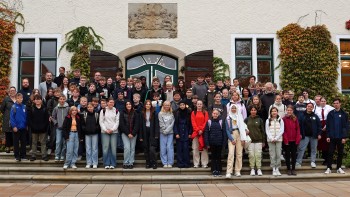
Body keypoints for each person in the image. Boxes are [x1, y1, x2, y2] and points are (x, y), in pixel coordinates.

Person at [325, 99, 349, 174]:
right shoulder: (330, 113)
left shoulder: (344, 114)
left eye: (337, 103)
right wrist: (328, 136)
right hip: (332, 137)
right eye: (334, 103)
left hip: (341, 137)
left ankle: (339, 168)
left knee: (340, 153)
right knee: (330, 152)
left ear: (340, 104)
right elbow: (328, 125)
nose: (335, 104)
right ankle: (329, 168)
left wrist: (344, 137)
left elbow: (346, 126)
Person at [296, 103, 322, 168]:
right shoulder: (302, 115)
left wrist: (319, 134)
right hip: (304, 136)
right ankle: (298, 162)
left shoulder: (315, 116)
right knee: (301, 149)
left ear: (312, 108)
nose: (309, 107)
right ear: (306, 107)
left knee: (314, 149)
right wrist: (300, 134)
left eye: (311, 106)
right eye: (308, 106)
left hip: (314, 136)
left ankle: (313, 162)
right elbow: (298, 125)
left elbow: (319, 126)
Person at [225, 104, 247, 178]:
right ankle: (229, 171)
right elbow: (227, 130)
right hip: (232, 134)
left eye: (235, 108)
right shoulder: (228, 118)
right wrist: (231, 139)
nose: (233, 109)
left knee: (239, 154)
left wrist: (243, 138)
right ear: (230, 109)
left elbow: (243, 128)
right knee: (231, 153)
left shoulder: (239, 117)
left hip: (239, 134)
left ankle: (237, 170)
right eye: (232, 108)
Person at [204, 109, 226, 177]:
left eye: (216, 114)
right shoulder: (209, 122)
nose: (215, 115)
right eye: (214, 113)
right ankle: (214, 170)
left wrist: (224, 143)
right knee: (213, 157)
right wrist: (207, 143)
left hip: (219, 143)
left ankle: (219, 170)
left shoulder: (221, 122)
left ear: (218, 114)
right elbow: (206, 133)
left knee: (218, 157)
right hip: (212, 142)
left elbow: (224, 133)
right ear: (212, 114)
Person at [28, 95, 50, 161]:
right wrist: (33, 126)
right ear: (34, 101)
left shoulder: (44, 109)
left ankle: (44, 155)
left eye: (39, 99)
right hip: (34, 129)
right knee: (34, 142)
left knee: (43, 142)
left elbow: (46, 120)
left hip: (43, 129)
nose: (37, 100)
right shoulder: (32, 109)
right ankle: (33, 155)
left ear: (41, 100)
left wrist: (44, 127)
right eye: (36, 99)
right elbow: (30, 119)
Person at [99, 98, 119, 169]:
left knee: (113, 148)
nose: (111, 104)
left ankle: (113, 163)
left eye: (113, 102)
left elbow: (117, 122)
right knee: (105, 148)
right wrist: (105, 129)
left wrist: (112, 129)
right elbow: (101, 122)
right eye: (110, 102)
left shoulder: (116, 111)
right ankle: (106, 163)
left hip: (114, 132)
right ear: (107, 103)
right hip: (104, 132)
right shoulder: (103, 110)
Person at [245, 106, 265, 176]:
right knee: (251, 155)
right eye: (252, 110)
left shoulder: (260, 120)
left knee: (258, 155)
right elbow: (243, 129)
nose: (253, 111)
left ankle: (259, 169)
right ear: (250, 111)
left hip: (259, 140)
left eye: (254, 110)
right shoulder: (247, 120)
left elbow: (263, 131)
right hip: (250, 141)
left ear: (256, 111)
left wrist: (263, 141)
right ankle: (252, 169)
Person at [139, 100, 159, 169]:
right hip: (145, 132)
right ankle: (148, 163)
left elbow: (156, 124)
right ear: (144, 105)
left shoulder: (154, 113)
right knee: (146, 149)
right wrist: (140, 136)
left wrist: (156, 134)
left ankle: (154, 162)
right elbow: (140, 125)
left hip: (152, 132)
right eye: (146, 104)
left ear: (151, 105)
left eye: (149, 104)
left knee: (152, 149)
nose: (148, 105)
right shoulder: (142, 113)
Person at [120, 100, 139, 169]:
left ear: (132, 105)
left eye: (130, 104)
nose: (128, 105)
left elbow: (137, 124)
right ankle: (125, 162)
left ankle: (131, 162)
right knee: (127, 148)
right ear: (125, 106)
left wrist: (133, 133)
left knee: (132, 148)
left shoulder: (135, 113)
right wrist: (128, 133)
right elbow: (122, 124)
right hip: (125, 134)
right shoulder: (122, 113)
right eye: (127, 104)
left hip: (134, 134)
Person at [314, 97, 334, 165]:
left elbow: (333, 115)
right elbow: (316, 118)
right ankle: (324, 159)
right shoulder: (316, 109)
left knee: (328, 143)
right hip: (320, 126)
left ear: (326, 102)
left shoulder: (329, 108)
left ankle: (329, 160)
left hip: (327, 125)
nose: (323, 102)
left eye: (324, 101)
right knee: (322, 144)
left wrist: (326, 126)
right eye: (322, 101)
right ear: (319, 102)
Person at [265, 107, 284, 176]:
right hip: (270, 140)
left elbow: (282, 130)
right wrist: (271, 138)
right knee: (272, 154)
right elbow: (267, 130)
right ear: (270, 112)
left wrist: (276, 138)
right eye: (272, 111)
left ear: (277, 112)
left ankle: (277, 168)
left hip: (278, 140)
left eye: (275, 111)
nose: (274, 112)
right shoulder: (268, 120)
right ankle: (273, 168)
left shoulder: (280, 120)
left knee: (278, 154)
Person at [283, 105, 301, 175]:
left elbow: (298, 129)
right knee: (287, 155)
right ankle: (288, 169)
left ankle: (293, 169)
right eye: (288, 110)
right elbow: (283, 130)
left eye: (290, 110)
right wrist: (286, 140)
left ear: (292, 111)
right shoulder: (284, 119)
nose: (289, 111)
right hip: (287, 141)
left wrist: (297, 139)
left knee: (293, 155)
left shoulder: (295, 119)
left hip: (294, 140)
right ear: (286, 111)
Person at [191, 100, 209, 168]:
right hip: (196, 133)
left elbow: (206, 122)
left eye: (200, 104)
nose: (199, 105)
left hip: (203, 133)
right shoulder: (193, 113)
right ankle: (196, 163)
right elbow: (193, 122)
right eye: (198, 104)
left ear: (202, 105)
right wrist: (198, 130)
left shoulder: (205, 112)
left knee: (204, 149)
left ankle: (204, 163)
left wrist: (201, 130)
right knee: (195, 148)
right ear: (196, 105)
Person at [174, 100, 192, 168]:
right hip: (179, 132)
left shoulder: (188, 112)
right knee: (179, 149)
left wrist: (190, 133)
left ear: (185, 105)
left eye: (183, 105)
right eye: (180, 105)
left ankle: (187, 163)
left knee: (186, 149)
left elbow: (190, 124)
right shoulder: (176, 112)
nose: (182, 106)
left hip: (186, 132)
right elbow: (175, 124)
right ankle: (180, 163)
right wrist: (176, 133)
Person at [52, 94, 70, 162]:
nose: (62, 100)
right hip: (59, 128)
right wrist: (56, 123)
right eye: (61, 99)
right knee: (58, 142)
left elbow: (69, 117)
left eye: (63, 99)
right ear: (59, 100)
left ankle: (62, 155)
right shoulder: (56, 108)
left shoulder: (68, 108)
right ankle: (57, 155)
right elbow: (53, 117)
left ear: (65, 100)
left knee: (65, 142)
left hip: (65, 128)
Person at [82, 103, 100, 169]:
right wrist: (85, 129)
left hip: (95, 134)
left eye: (91, 107)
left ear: (93, 107)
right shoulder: (85, 115)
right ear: (87, 108)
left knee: (94, 149)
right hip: (87, 134)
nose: (90, 108)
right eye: (88, 107)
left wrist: (96, 129)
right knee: (88, 149)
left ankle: (95, 163)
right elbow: (83, 124)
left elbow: (98, 124)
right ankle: (89, 163)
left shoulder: (96, 114)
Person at [10, 93, 27, 161]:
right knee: (16, 142)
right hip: (16, 128)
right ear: (16, 99)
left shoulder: (24, 107)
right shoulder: (14, 107)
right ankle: (17, 156)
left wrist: (26, 125)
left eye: (21, 98)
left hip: (23, 127)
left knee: (23, 142)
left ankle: (23, 156)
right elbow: (12, 117)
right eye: (19, 98)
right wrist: (14, 126)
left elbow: (26, 117)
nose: (20, 99)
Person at [158, 101, 175, 168]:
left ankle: (170, 162)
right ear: (163, 105)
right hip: (162, 133)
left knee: (169, 147)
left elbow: (172, 123)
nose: (167, 106)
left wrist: (167, 130)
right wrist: (164, 130)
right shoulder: (160, 113)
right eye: (165, 105)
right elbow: (161, 123)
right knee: (163, 148)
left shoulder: (171, 113)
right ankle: (164, 162)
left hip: (170, 133)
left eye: (168, 105)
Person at [1, 86, 16, 153]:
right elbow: (2, 109)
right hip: (7, 119)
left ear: (15, 91)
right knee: (8, 133)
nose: (12, 91)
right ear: (9, 92)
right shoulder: (6, 99)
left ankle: (13, 146)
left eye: (13, 90)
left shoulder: (17, 99)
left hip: (16, 119)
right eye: (11, 90)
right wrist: (7, 115)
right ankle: (7, 147)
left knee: (14, 133)